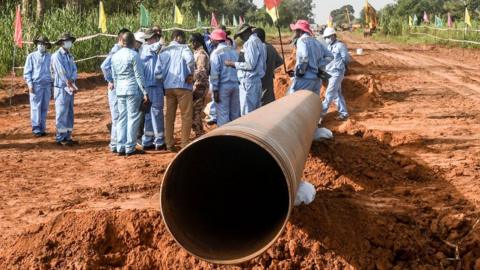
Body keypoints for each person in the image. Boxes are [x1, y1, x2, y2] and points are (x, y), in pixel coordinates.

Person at [155, 30, 195, 152]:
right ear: (178, 37)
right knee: (186, 116)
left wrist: (165, 80)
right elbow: (190, 61)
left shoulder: (163, 51)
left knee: (169, 117)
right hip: (183, 86)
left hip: (168, 88)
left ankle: (169, 144)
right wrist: (190, 73)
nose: (184, 40)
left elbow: (157, 73)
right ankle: (184, 144)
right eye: (183, 37)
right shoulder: (184, 49)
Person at [111, 32, 149, 156]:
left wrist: (117, 88)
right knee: (133, 118)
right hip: (133, 89)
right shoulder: (134, 55)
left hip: (120, 90)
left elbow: (114, 76)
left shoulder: (115, 56)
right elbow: (139, 75)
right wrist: (145, 92)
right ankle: (130, 147)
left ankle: (120, 146)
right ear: (133, 42)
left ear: (122, 41)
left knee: (122, 118)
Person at [226, 23, 266, 116]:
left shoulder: (251, 43)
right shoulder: (258, 41)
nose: (241, 38)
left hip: (249, 83)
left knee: (247, 114)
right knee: (255, 114)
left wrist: (233, 64)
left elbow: (250, 65)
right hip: (254, 81)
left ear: (247, 32)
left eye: (241, 35)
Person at [101, 28, 130, 153]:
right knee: (117, 117)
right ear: (120, 39)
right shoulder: (116, 50)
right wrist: (111, 80)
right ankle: (115, 144)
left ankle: (118, 143)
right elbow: (104, 66)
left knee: (121, 116)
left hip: (121, 87)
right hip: (116, 89)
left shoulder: (123, 50)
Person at [288, 20, 333, 95]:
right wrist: (318, 64)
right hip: (316, 80)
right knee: (312, 104)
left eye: (295, 30)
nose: (294, 32)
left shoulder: (301, 41)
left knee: (294, 101)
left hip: (305, 79)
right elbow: (330, 56)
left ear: (300, 31)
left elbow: (305, 57)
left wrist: (301, 72)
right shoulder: (316, 41)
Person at [140, 28, 166, 151]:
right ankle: (159, 141)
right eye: (154, 37)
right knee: (156, 113)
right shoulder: (147, 48)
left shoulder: (149, 50)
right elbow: (156, 47)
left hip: (150, 86)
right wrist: (161, 42)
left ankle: (147, 140)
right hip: (153, 86)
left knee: (149, 115)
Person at [51, 33, 78, 146]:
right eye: (67, 41)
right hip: (61, 88)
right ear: (62, 42)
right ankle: (60, 137)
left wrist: (72, 80)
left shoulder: (70, 56)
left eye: (70, 40)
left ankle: (67, 136)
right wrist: (68, 82)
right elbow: (60, 71)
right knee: (61, 113)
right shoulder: (57, 56)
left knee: (69, 113)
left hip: (69, 88)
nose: (69, 42)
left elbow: (74, 69)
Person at [209, 29, 240, 126]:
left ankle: (224, 139)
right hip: (235, 85)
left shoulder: (216, 53)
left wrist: (215, 90)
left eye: (212, 39)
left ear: (217, 40)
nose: (211, 41)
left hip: (223, 87)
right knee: (235, 114)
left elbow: (214, 74)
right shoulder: (234, 51)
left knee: (223, 115)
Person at [23, 36, 52, 137]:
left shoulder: (50, 57)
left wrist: (52, 86)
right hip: (36, 85)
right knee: (35, 107)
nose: (41, 46)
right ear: (37, 45)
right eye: (40, 44)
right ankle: (36, 129)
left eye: (43, 44)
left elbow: (53, 71)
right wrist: (30, 85)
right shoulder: (31, 56)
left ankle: (42, 128)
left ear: (47, 46)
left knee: (44, 107)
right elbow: (27, 73)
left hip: (47, 85)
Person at [322, 27, 351, 121]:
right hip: (330, 72)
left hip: (337, 72)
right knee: (337, 94)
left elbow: (346, 58)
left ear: (334, 36)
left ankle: (320, 115)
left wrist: (343, 67)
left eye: (328, 37)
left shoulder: (340, 46)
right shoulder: (329, 47)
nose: (327, 39)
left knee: (329, 93)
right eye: (325, 37)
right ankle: (344, 113)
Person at [253, 28, 284, 105]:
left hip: (259, 83)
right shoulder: (271, 47)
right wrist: (271, 68)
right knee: (270, 105)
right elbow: (280, 61)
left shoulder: (258, 49)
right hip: (269, 81)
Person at [189, 33, 210, 136]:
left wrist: (190, 77)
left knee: (195, 111)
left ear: (196, 42)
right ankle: (199, 132)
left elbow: (201, 72)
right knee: (195, 110)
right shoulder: (197, 52)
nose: (191, 44)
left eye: (192, 41)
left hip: (199, 85)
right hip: (199, 85)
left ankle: (199, 133)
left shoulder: (201, 54)